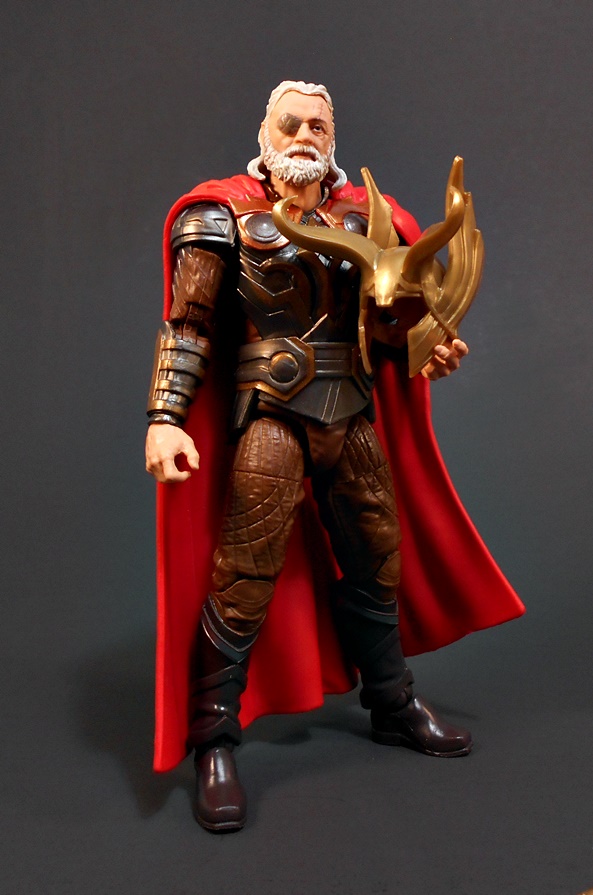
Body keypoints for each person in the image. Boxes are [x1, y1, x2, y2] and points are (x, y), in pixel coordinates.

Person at [145, 80, 524, 833]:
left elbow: (388, 325)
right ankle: (214, 741)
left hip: (349, 408)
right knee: (246, 571)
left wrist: (424, 348)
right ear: (264, 134)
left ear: (332, 137)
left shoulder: (367, 220)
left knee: (377, 556)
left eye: (317, 125)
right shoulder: (220, 214)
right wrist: (165, 418)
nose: (303, 135)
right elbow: (189, 324)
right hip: (271, 412)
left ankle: (391, 702)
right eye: (289, 123)